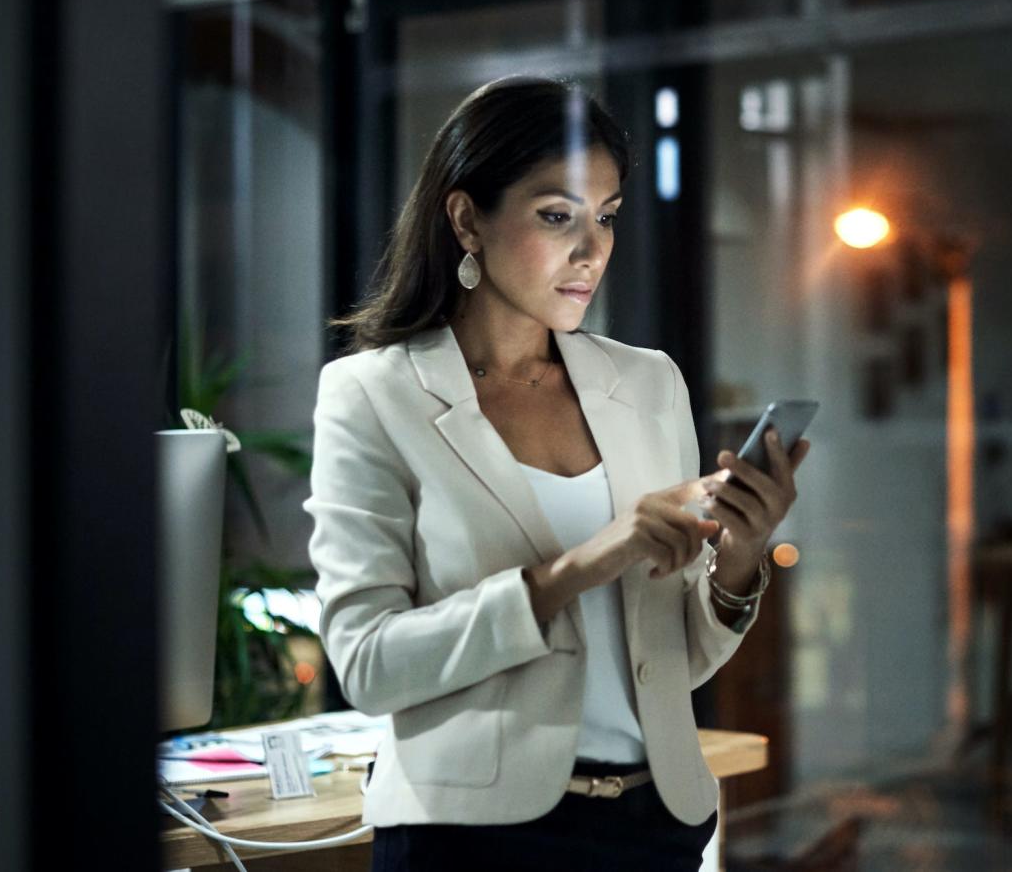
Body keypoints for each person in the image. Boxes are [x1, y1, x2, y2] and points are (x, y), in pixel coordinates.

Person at [304, 77, 810, 872]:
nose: (593, 249)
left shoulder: (649, 385)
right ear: (467, 217)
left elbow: (667, 655)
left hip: (654, 826)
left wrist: (738, 559)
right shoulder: (373, 394)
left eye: (606, 216)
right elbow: (368, 663)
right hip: (471, 840)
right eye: (556, 215)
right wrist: (580, 566)